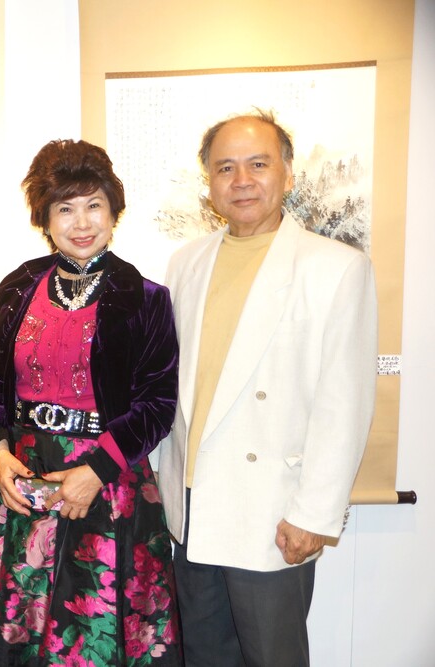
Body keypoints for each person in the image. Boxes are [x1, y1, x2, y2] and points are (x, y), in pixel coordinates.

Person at [0, 139, 182, 666]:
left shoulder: (145, 298)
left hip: (107, 482)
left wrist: (95, 471)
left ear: (114, 210)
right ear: (45, 218)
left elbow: (157, 403)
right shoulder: (18, 287)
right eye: (65, 208)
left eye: (94, 205)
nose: (81, 222)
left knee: (91, 633)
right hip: (23, 480)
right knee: (19, 634)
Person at [157, 110, 377, 666]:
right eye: (225, 167)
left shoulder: (335, 268)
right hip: (191, 507)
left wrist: (315, 514)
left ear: (287, 173)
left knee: (272, 657)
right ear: (209, 182)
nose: (242, 180)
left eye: (258, 164)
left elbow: (345, 403)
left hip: (273, 513)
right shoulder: (185, 264)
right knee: (203, 656)